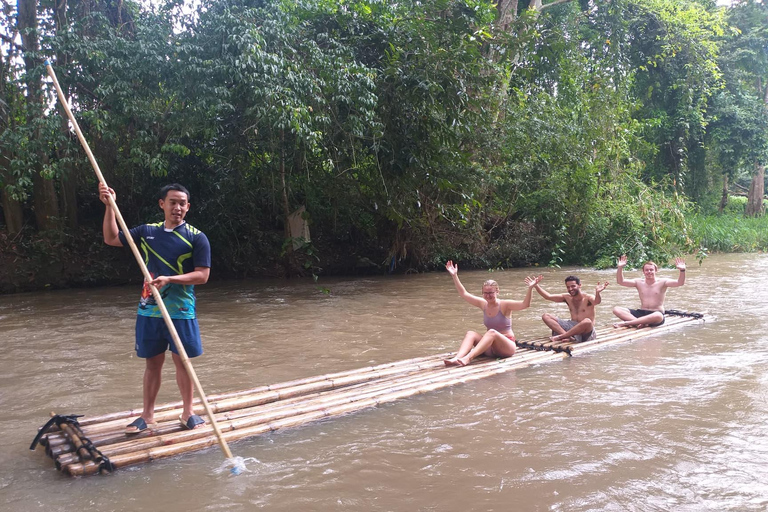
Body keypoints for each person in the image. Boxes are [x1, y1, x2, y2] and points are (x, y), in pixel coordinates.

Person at [99, 182, 211, 434]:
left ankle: (188, 412)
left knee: (182, 361)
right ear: (162, 204)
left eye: (182, 203)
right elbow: (111, 238)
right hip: (150, 308)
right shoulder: (147, 231)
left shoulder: (196, 237)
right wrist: (109, 207)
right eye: (172, 202)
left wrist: (170, 279)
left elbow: (202, 276)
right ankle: (147, 416)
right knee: (152, 363)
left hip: (181, 310)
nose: (177, 207)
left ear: (188, 207)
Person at [443, 261, 540, 367]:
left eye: (491, 293)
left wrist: (530, 288)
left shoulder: (505, 304)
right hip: (489, 348)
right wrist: (454, 276)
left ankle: (468, 358)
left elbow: (525, 304)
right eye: (485, 293)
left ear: (497, 292)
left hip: (506, 348)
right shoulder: (483, 304)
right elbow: (464, 293)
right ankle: (457, 358)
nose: (488, 296)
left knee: (492, 332)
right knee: (471, 333)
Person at [612, 254, 685, 328]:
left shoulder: (663, 282)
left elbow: (680, 283)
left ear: (656, 270)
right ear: (643, 272)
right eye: (646, 270)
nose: (649, 272)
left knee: (658, 316)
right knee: (616, 309)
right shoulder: (638, 282)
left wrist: (682, 270)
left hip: (655, 313)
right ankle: (639, 323)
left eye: (651, 270)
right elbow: (620, 281)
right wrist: (620, 267)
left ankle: (627, 323)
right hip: (642, 312)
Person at [532, 275, 608, 343]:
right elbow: (548, 296)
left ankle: (561, 336)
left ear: (579, 285)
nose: (570, 289)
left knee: (587, 321)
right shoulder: (567, 297)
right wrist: (536, 285)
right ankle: (568, 336)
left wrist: (597, 293)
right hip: (572, 326)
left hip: (586, 330)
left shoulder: (588, 298)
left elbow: (597, 302)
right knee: (546, 316)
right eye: (568, 287)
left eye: (573, 286)